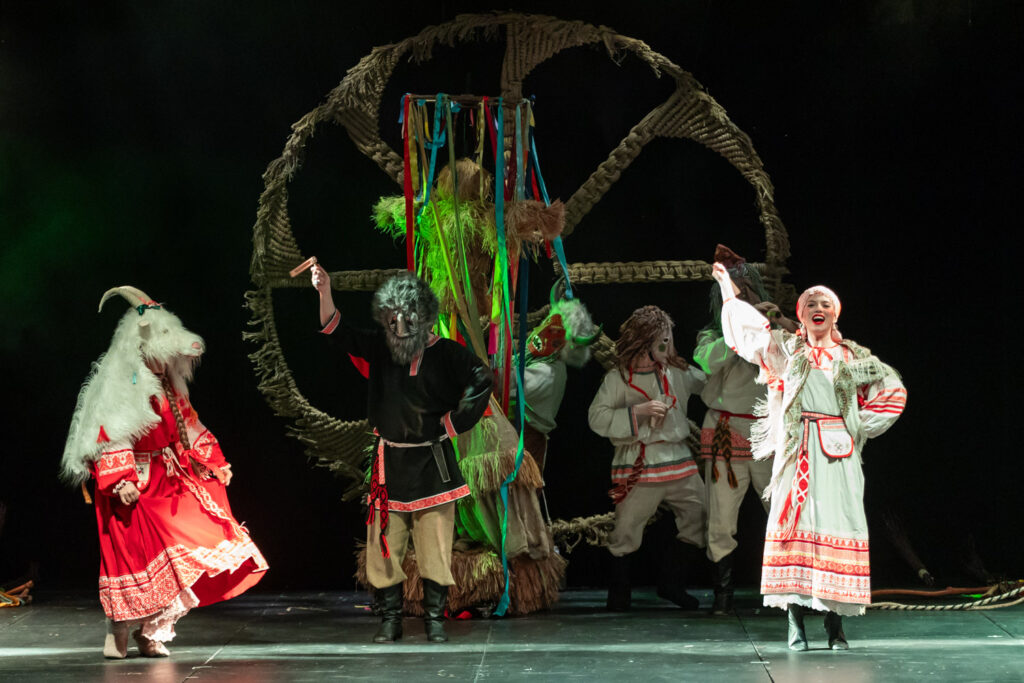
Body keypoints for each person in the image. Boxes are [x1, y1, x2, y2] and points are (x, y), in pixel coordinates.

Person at [61, 286, 268, 659]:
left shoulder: (170, 388)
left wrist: (214, 461)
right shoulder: (121, 385)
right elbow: (108, 433)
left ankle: (152, 631)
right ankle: (118, 630)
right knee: (132, 557)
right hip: (134, 484)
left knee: (187, 547)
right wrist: (120, 479)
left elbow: (189, 425)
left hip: (169, 479)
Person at [712, 263, 906, 650]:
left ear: (835, 314)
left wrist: (857, 424)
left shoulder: (853, 356)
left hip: (837, 455)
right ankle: (795, 622)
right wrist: (727, 292)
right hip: (797, 450)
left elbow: (893, 390)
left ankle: (835, 625)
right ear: (800, 315)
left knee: (838, 524)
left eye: (825, 304)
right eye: (811, 304)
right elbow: (747, 334)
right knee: (792, 528)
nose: (819, 308)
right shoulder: (788, 350)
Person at [312, 264, 492, 643]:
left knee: (435, 547)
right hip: (389, 466)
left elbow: (482, 378)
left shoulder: (447, 354)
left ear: (423, 318)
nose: (398, 325)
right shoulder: (382, 349)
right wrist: (324, 292)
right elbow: (338, 332)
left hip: (433, 465)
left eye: (406, 317)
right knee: (385, 546)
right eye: (392, 318)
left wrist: (454, 422)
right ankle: (390, 620)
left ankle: (434, 621)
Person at [693, 246, 798, 615]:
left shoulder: (778, 327)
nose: (741, 295)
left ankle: (790, 591)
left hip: (769, 429)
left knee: (781, 510)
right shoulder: (712, 336)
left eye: (746, 289)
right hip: (728, 430)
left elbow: (801, 356)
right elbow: (708, 361)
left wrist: (775, 324)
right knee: (721, 517)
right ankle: (723, 593)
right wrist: (738, 328)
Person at [588, 305, 707, 611]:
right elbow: (596, 417)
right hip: (639, 463)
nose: (668, 347)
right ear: (643, 342)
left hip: (678, 459)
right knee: (626, 528)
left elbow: (709, 384)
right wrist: (638, 412)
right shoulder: (618, 379)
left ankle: (672, 583)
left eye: (669, 341)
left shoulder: (677, 372)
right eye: (662, 342)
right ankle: (619, 593)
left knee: (701, 515)